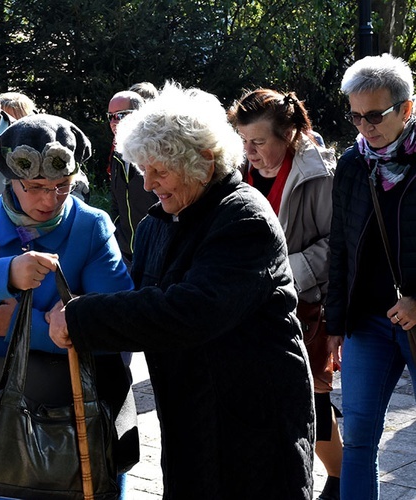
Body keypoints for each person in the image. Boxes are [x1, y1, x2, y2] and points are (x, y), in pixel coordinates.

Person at [48, 82, 315, 498]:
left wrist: (83, 317)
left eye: (161, 170)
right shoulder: (161, 220)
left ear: (204, 159)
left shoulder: (244, 218)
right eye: (143, 169)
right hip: (190, 421)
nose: (149, 183)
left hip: (254, 426)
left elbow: (190, 312)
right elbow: (135, 299)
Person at [0, 114, 140, 499]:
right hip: (10, 429)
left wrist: (25, 327)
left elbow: (120, 328)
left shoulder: (91, 226)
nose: (49, 200)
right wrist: (6, 272)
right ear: (10, 178)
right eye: (36, 186)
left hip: (87, 421)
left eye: (63, 186)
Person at [228, 88, 341, 500]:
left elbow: (338, 245)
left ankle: (341, 478)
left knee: (311, 401)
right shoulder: (236, 169)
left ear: (290, 134)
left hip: (305, 306)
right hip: (249, 305)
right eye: (243, 141)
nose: (249, 151)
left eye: (258, 142)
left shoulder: (322, 174)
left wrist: (283, 271)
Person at [327, 53, 416, 500]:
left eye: (375, 115)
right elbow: (339, 247)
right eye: (357, 116)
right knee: (358, 440)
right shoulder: (352, 164)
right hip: (366, 322)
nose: (365, 126)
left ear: (407, 108)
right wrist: (335, 323)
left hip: (414, 318)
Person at [107, 90, 158, 265]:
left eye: (120, 115)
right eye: (111, 116)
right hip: (126, 253)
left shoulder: (156, 155)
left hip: (155, 252)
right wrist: (118, 236)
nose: (114, 122)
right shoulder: (117, 156)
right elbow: (116, 203)